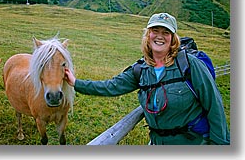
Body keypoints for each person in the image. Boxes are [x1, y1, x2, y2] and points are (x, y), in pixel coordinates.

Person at [64, 13, 230, 145]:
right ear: (148, 35)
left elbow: (214, 105)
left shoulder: (189, 64)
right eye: (155, 31)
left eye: (166, 32)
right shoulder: (140, 70)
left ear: (173, 39)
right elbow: (111, 86)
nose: (160, 36)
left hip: (192, 144)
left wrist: (220, 145)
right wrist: (76, 83)